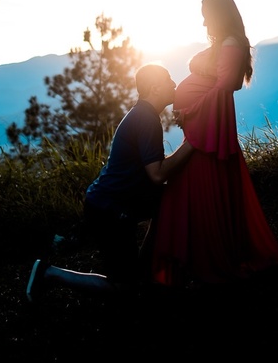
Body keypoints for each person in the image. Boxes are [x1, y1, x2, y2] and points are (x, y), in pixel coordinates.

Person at [150, 0, 278, 286]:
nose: (203, 23)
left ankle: (209, 258)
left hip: (208, 132)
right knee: (191, 192)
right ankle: (193, 257)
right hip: (201, 127)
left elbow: (225, 88)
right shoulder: (222, 44)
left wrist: (190, 111)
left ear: (218, 15)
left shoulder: (231, 44)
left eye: (206, 16)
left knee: (202, 192)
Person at [25, 63, 193, 301]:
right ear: (155, 87)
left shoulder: (144, 115)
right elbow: (157, 173)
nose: (174, 84)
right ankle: (49, 273)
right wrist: (191, 144)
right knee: (123, 288)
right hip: (108, 209)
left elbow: (153, 168)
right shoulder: (146, 119)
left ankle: (143, 268)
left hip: (116, 202)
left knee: (169, 199)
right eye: (168, 79)